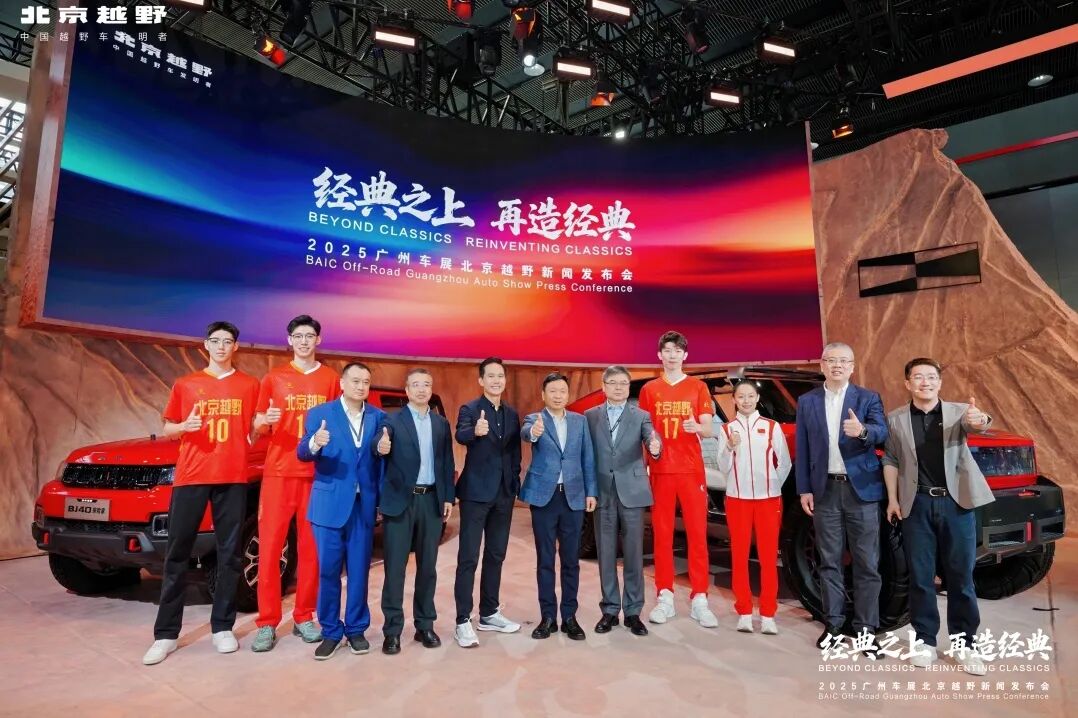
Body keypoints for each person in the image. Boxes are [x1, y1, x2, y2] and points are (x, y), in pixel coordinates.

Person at [143, 321, 259, 666]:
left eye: (228, 341)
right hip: (192, 476)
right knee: (177, 553)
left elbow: (254, 428)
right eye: (215, 340)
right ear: (205, 345)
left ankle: (222, 627)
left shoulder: (249, 385)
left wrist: (260, 424)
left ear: (235, 347)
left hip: (232, 477)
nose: (221, 346)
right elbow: (168, 428)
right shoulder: (187, 384)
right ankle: (166, 635)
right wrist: (184, 427)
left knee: (229, 554)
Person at [882, 358, 995, 676]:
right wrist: (892, 499)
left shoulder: (959, 412)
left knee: (961, 577)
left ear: (940, 382)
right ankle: (925, 641)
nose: (925, 382)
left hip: (956, 505)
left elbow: (979, 423)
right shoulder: (896, 418)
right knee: (921, 578)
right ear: (908, 383)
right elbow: (891, 459)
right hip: (916, 505)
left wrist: (979, 418)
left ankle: (965, 645)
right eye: (918, 377)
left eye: (931, 377)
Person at [250, 315, 340, 652]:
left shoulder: (330, 379)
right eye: (298, 336)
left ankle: (304, 616)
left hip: (317, 475)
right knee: (270, 548)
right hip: (278, 473)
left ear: (318, 340)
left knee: (311, 550)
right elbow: (258, 424)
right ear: (289, 340)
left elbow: (340, 424)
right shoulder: (273, 378)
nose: (304, 341)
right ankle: (267, 622)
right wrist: (264, 420)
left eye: (309, 336)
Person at [795, 342, 888, 653]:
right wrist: (804, 488)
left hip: (861, 491)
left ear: (852, 367)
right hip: (825, 491)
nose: (837, 365)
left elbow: (882, 432)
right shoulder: (807, 401)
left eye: (844, 361)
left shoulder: (868, 398)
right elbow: (803, 447)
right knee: (829, 562)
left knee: (867, 563)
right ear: (822, 365)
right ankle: (833, 625)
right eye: (831, 360)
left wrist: (862, 432)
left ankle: (866, 630)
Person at [297, 362, 385, 660]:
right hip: (328, 506)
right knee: (328, 571)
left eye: (366, 382)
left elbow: (380, 460)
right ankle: (331, 631)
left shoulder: (378, 417)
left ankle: (356, 629)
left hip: (363, 506)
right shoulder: (320, 414)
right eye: (355, 381)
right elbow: (302, 452)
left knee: (359, 571)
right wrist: (314, 443)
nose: (361, 386)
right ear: (342, 384)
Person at [637, 331, 718, 628]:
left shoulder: (698, 387)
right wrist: (645, 464)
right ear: (659, 355)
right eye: (667, 350)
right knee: (662, 535)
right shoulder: (649, 389)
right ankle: (665, 596)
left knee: (697, 534)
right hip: (661, 470)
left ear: (685, 355)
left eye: (677, 350)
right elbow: (643, 431)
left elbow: (708, 429)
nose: (672, 355)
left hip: (691, 470)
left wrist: (697, 426)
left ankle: (700, 599)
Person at [376, 368, 456, 655]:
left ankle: (425, 625)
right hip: (401, 501)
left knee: (428, 568)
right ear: (407, 390)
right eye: (416, 385)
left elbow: (447, 462)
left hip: (431, 500)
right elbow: (378, 446)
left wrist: (448, 496)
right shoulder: (392, 420)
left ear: (431, 390)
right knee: (394, 568)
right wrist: (380, 446)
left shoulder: (440, 423)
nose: (422, 389)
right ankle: (392, 631)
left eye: (426, 385)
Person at [519, 372, 598, 641]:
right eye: (552, 391)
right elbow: (527, 434)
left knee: (571, 560)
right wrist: (533, 433)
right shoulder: (534, 419)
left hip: (573, 497)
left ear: (567, 394)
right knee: (545, 559)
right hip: (545, 497)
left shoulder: (580, 421)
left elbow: (588, 458)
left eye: (562, 391)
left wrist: (591, 491)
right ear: (543, 395)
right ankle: (548, 617)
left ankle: (570, 616)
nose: (558, 395)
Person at [584, 366, 661, 637]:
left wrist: (655, 447)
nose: (619, 388)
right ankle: (609, 609)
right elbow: (586, 454)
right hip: (603, 491)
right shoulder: (590, 416)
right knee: (605, 552)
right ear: (604, 386)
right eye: (613, 383)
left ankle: (632, 612)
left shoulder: (641, 415)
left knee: (633, 552)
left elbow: (652, 437)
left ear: (629, 388)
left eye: (624, 384)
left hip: (632, 491)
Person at [452, 357, 523, 648]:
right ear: (481, 380)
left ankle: (489, 612)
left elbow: (515, 452)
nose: (496, 380)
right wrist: (474, 432)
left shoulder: (512, 413)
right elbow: (460, 434)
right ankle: (462, 620)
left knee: (496, 554)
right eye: (490, 376)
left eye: (500, 376)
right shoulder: (470, 409)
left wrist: (514, 483)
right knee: (468, 557)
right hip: (475, 494)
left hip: (504, 494)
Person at [717, 381, 792, 635]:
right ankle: (744, 612)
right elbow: (723, 467)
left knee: (768, 558)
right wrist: (729, 447)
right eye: (741, 397)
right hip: (737, 499)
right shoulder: (727, 429)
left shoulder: (771, 427)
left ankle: (768, 613)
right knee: (739, 557)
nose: (746, 401)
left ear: (757, 398)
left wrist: (772, 485)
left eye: (750, 396)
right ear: (734, 400)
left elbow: (784, 463)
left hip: (768, 500)